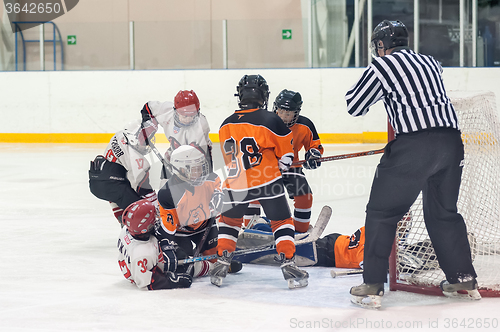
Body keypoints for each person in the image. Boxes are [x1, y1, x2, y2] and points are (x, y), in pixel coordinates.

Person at [345, 20, 479, 308]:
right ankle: (463, 278)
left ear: (381, 45)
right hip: (451, 143)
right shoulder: (430, 63)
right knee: (444, 213)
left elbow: (355, 105)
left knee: (382, 212)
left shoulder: (382, 66)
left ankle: (371, 284)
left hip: (414, 147)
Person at [212, 74, 309, 289]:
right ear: (264, 96)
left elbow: (230, 158)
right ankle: (288, 263)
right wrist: (278, 166)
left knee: (229, 222)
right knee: (282, 221)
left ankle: (222, 261)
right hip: (267, 180)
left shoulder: (225, 124)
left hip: (235, 183)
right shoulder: (270, 119)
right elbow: (286, 157)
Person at [155, 145, 241, 278]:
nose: (201, 172)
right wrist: (168, 249)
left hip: (205, 225)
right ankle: (204, 264)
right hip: (181, 232)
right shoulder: (168, 194)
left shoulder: (211, 179)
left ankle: (208, 261)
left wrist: (219, 197)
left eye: (202, 167)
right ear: (181, 170)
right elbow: (167, 230)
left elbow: (220, 193)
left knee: (213, 254)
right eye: (196, 169)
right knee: (185, 260)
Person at [272, 89, 324, 233]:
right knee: (256, 194)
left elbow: (315, 146)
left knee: (305, 197)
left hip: (291, 168)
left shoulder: (305, 125)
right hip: (266, 168)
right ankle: (250, 227)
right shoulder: (266, 122)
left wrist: (313, 155)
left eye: (288, 114)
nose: (282, 116)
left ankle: (300, 231)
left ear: (296, 113)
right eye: (280, 111)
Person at [89, 120, 158, 225]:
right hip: (110, 184)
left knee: (120, 188)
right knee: (144, 210)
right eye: (144, 141)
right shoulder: (136, 159)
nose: (147, 144)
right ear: (133, 139)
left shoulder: (120, 135)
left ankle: (123, 218)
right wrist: (157, 209)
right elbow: (143, 189)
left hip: (100, 179)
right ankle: (136, 232)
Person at [117, 198, 193, 290]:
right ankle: (210, 266)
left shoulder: (129, 229)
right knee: (189, 264)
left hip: (140, 263)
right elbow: (146, 282)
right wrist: (173, 280)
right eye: (153, 219)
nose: (156, 219)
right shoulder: (142, 253)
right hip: (151, 269)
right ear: (145, 228)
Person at [139, 90, 213, 179]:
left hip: (197, 159)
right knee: (165, 187)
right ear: (175, 111)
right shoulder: (166, 111)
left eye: (192, 115)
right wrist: (148, 128)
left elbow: (200, 158)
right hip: (173, 154)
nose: (188, 119)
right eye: (184, 116)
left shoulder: (201, 126)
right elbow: (148, 107)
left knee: (199, 186)